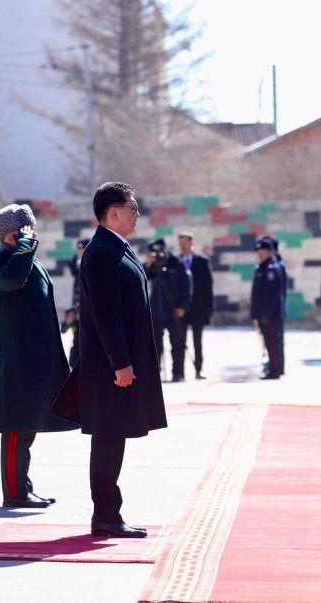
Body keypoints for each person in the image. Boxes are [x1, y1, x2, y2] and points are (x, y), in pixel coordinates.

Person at [77, 182, 167, 538]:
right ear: (113, 211)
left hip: (120, 363)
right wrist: (120, 362)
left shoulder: (117, 247)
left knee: (113, 437)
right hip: (109, 368)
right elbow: (105, 315)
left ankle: (108, 513)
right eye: (132, 207)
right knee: (108, 437)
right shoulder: (101, 252)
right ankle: (106, 515)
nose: (137, 214)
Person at [0, 204, 78, 509]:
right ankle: (14, 492)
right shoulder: (2, 263)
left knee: (28, 425)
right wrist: (24, 246)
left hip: (36, 356)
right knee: (15, 426)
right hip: (17, 357)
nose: (33, 234)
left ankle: (23, 485)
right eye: (27, 230)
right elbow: (12, 280)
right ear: (13, 234)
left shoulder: (27, 260)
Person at [145, 238, 192, 382]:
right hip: (156, 310)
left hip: (174, 309)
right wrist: (148, 265)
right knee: (155, 344)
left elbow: (186, 286)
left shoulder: (176, 263)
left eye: (161, 249)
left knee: (177, 343)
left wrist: (182, 306)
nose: (159, 253)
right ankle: (155, 374)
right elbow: (141, 278)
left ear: (166, 249)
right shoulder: (153, 265)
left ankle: (178, 373)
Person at [178, 232, 213, 379]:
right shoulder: (176, 261)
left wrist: (209, 308)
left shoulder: (202, 261)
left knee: (197, 341)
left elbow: (208, 287)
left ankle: (199, 370)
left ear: (191, 243)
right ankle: (179, 371)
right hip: (181, 309)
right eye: (180, 243)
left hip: (198, 308)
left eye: (185, 242)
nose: (182, 246)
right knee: (180, 341)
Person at [251, 237, 285, 379]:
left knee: (273, 341)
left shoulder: (272, 268)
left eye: (263, 251)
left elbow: (273, 295)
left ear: (270, 252)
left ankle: (275, 370)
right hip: (261, 313)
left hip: (271, 314)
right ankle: (272, 366)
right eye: (258, 251)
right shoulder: (260, 268)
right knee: (268, 342)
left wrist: (267, 313)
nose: (260, 253)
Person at [65, 238, 90, 368]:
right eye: (79, 250)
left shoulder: (91, 265)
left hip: (89, 312)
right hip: (77, 310)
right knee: (77, 341)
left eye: (83, 250)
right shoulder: (78, 264)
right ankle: (74, 368)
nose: (81, 252)